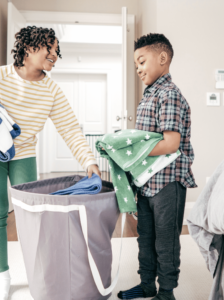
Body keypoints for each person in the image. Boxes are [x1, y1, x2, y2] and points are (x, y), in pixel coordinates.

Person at [0, 26, 101, 300]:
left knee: (31, 213)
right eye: (49, 49)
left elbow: (69, 128)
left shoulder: (51, 90)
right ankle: (2, 277)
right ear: (29, 48)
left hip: (24, 152)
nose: (54, 55)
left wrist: (88, 160)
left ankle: (37, 272)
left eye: (56, 52)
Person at [117, 33, 197, 300]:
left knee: (165, 241)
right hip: (147, 182)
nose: (138, 68)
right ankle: (147, 284)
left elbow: (170, 143)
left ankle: (166, 291)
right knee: (145, 237)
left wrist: (132, 149)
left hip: (168, 183)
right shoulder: (148, 96)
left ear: (162, 58)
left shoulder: (170, 94)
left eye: (141, 61)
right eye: (135, 64)